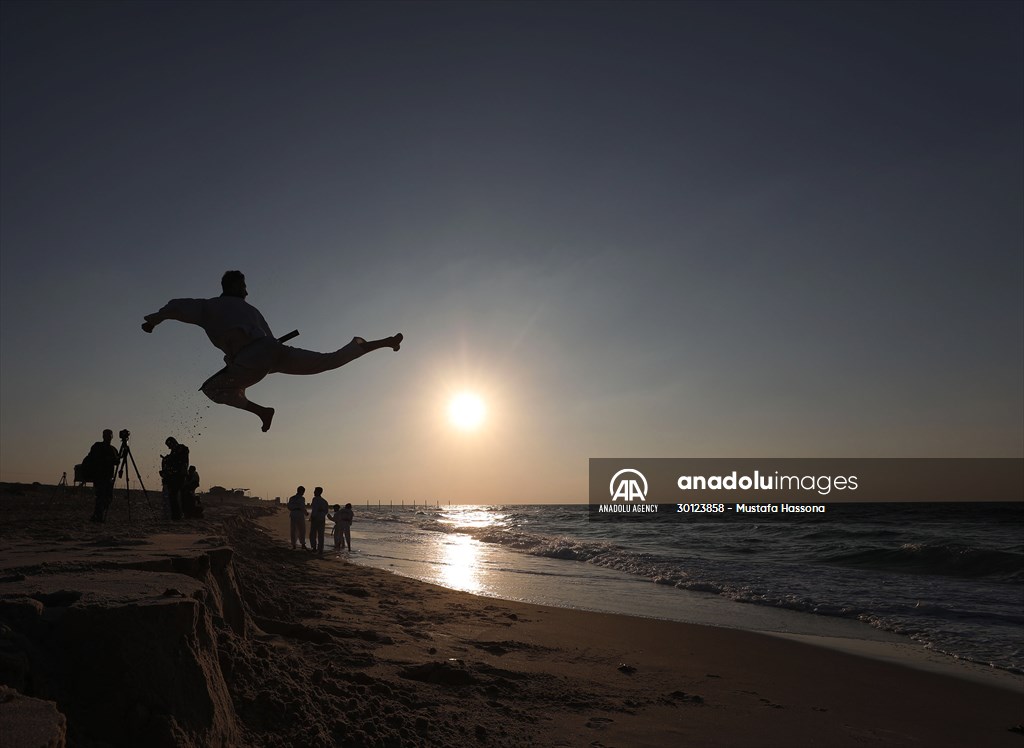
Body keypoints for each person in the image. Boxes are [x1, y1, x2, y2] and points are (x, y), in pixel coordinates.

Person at [141, 271, 403, 432]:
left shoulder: (207, 306)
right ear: (232, 286)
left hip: (251, 360)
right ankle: (382, 342)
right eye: (243, 285)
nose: (246, 290)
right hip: (273, 352)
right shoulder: (250, 309)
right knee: (328, 361)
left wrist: (154, 321)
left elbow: (175, 306)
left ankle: (262, 412)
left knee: (211, 389)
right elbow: (268, 339)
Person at [86, 429, 119, 522]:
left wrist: (114, 459)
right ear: (103, 436)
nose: (108, 437)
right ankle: (97, 516)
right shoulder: (97, 446)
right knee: (100, 497)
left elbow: (117, 461)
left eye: (109, 435)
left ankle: (98, 515)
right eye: (106, 435)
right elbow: (92, 457)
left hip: (108, 477)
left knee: (108, 498)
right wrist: (105, 459)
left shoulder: (113, 449)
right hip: (99, 476)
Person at [160, 437, 189, 521]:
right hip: (176, 476)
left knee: (177, 496)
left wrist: (169, 459)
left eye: (169, 445)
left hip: (179, 476)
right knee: (174, 496)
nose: (169, 447)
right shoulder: (176, 451)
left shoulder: (182, 449)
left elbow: (178, 460)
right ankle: (176, 516)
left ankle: (178, 516)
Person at [309, 487, 330, 556]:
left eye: (315, 491)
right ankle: (320, 549)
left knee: (313, 534)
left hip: (316, 518)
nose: (314, 492)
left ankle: (314, 547)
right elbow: (326, 511)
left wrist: (312, 517)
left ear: (318, 492)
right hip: (322, 518)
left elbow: (314, 509)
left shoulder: (315, 499)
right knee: (321, 535)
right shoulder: (324, 501)